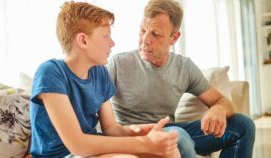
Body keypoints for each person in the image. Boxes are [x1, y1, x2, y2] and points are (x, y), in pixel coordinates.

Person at [30, 1, 181, 158]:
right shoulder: (50, 72)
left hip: (91, 150)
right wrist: (144, 143)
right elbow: (77, 144)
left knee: (170, 152)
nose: (112, 43)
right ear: (83, 40)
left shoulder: (100, 73)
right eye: (106, 36)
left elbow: (110, 128)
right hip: (63, 154)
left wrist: (136, 131)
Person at [106, 0, 256, 157]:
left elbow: (223, 101)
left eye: (156, 34)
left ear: (174, 37)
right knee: (178, 136)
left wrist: (218, 109)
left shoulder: (183, 67)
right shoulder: (118, 64)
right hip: (133, 136)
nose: (145, 40)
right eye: (143, 30)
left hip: (171, 130)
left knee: (243, 125)